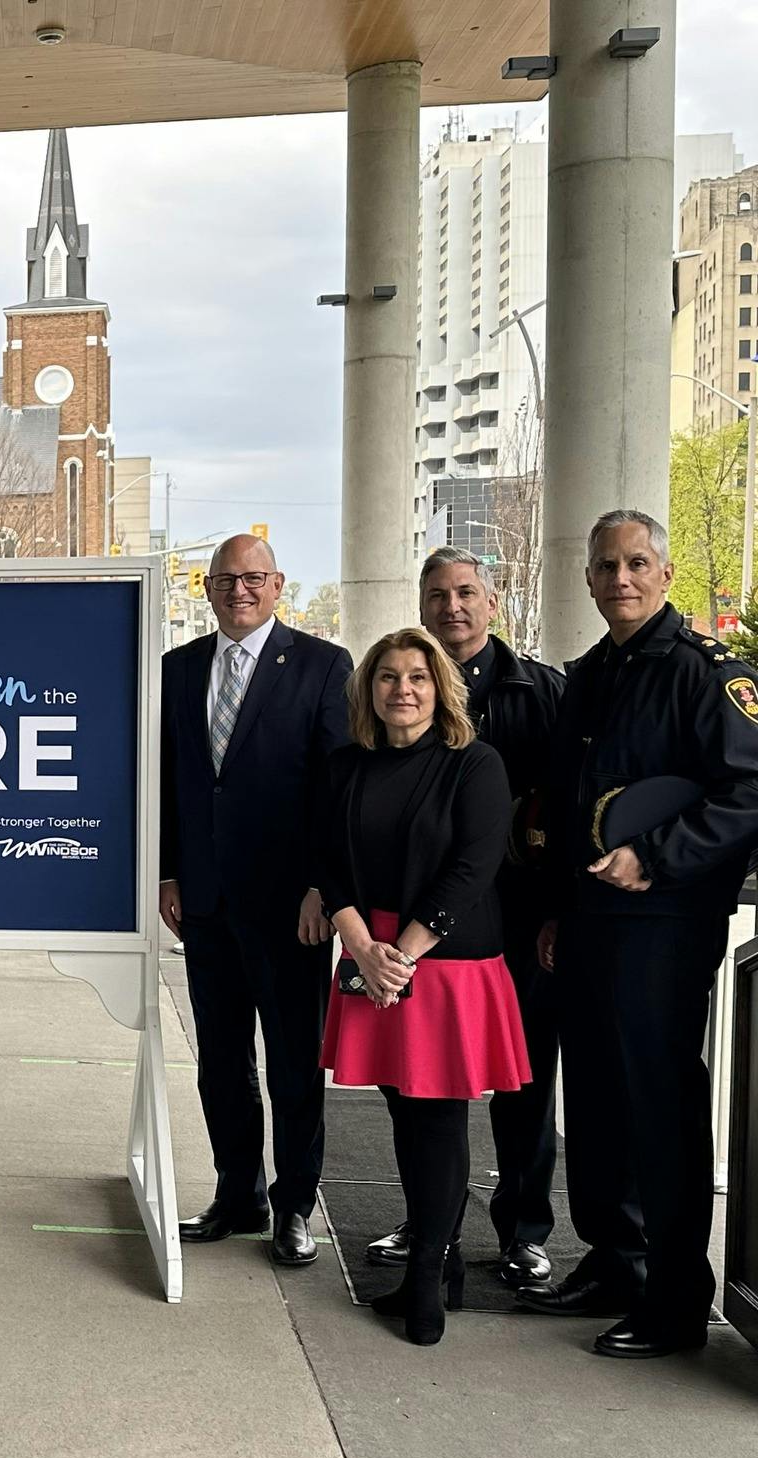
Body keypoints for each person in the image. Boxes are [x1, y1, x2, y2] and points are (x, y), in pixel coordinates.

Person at [519, 510, 758, 1358]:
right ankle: (613, 1262)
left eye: (637, 563)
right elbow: (566, 805)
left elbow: (749, 794)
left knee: (660, 1106)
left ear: (664, 574)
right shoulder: (589, 676)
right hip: (587, 919)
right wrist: (555, 910)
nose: (621, 578)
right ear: (587, 579)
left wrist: (655, 858)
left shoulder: (707, 673)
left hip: (664, 920)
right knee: (595, 1097)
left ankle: (676, 1301)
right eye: (606, 566)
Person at [359, 552, 566, 1287]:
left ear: (492, 600)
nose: (453, 607)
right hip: (419, 928)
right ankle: (431, 1227)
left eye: (467, 593)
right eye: (438, 596)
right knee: (417, 1085)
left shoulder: (540, 692)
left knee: (523, 1081)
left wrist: (556, 913)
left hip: (512, 922)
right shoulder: (396, 702)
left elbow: (563, 812)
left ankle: (522, 1229)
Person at [317, 628, 528, 1345]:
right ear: (368, 690)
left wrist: (397, 958)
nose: (402, 690)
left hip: (441, 963)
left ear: (440, 689)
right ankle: (434, 1271)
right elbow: (326, 859)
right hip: (372, 954)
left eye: (417, 677)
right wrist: (359, 945)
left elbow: (472, 869)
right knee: (403, 1116)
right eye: (387, 677)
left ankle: (433, 1277)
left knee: (437, 1119)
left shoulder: (476, 764)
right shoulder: (346, 766)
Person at [160, 534, 352, 1265]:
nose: (239, 590)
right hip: (205, 903)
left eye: (253, 578)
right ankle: (235, 1193)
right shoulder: (178, 670)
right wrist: (169, 871)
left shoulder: (322, 666)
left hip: (291, 910)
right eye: (225, 579)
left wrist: (322, 890)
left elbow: (337, 790)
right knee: (221, 1060)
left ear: (279, 586)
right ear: (207, 589)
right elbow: (170, 780)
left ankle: (294, 1205)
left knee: (294, 1063)